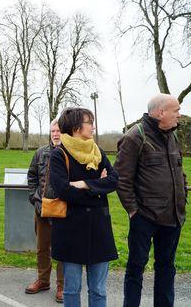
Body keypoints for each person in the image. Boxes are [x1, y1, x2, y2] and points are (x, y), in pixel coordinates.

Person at [114, 94, 187, 307]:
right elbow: (122, 178)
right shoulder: (135, 136)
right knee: (136, 267)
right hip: (144, 217)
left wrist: (182, 200)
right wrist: (133, 211)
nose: (179, 115)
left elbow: (180, 172)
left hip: (173, 217)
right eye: (176, 110)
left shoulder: (172, 136)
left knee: (166, 268)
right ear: (161, 112)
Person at [49, 107, 119, 307]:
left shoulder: (97, 151)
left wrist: (84, 184)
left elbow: (114, 180)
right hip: (71, 230)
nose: (93, 127)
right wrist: (98, 187)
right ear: (76, 127)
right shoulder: (58, 154)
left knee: (98, 290)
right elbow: (63, 190)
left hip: (99, 229)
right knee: (71, 290)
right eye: (90, 122)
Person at [25, 119, 64, 303]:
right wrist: (34, 197)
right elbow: (32, 176)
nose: (55, 134)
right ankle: (43, 280)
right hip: (42, 208)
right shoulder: (40, 153)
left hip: (63, 210)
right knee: (42, 248)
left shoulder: (69, 153)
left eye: (58, 131)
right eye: (53, 131)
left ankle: (62, 285)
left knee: (62, 249)